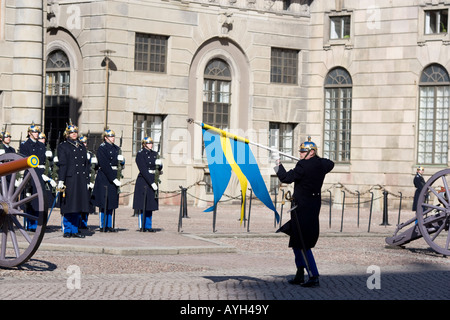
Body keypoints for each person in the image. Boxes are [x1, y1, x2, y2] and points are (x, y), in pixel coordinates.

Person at [274, 136, 334, 287]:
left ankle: (314, 276)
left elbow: (286, 178)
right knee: (296, 239)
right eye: (300, 151)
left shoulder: (302, 166)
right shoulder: (321, 165)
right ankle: (300, 274)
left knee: (302, 242)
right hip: (312, 207)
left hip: (301, 208)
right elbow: (330, 163)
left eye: (303, 151)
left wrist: (277, 165)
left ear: (311, 152)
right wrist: (313, 159)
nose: (300, 154)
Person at [56, 123, 90, 238]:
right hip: (69, 179)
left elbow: (86, 165)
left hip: (80, 179)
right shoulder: (63, 146)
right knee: (68, 205)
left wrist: (87, 179)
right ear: (67, 134)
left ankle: (74, 229)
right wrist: (61, 180)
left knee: (77, 205)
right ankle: (67, 229)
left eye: (75, 132)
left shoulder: (81, 146)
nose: (74, 134)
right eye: (71, 132)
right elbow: (63, 164)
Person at [92, 128, 124, 232]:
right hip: (105, 178)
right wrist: (113, 178)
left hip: (114, 175)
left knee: (111, 202)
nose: (113, 138)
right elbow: (104, 165)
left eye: (113, 136)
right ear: (105, 138)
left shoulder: (117, 148)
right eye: (110, 136)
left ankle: (109, 225)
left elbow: (119, 164)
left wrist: (122, 162)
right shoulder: (102, 148)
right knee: (103, 203)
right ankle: (103, 225)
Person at [19, 123, 47, 232]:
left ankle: (38, 224)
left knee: (38, 201)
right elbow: (24, 160)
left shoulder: (41, 145)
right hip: (29, 175)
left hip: (40, 174)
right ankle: (30, 224)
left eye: (37, 132)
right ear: (29, 133)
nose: (36, 134)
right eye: (34, 132)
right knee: (30, 200)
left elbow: (43, 161)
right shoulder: (25, 145)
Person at [133, 137, 162, 232]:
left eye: (151, 143)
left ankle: (148, 226)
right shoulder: (140, 154)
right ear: (144, 144)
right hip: (144, 181)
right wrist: (151, 182)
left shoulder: (154, 154)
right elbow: (143, 170)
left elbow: (157, 168)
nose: (151, 145)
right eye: (149, 143)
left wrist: (160, 165)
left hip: (153, 179)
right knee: (143, 205)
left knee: (150, 205)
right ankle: (142, 226)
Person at [78, 134, 98, 229]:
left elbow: (95, 168)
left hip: (89, 179)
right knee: (79, 202)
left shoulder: (91, 154)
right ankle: (78, 222)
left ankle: (84, 223)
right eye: (82, 142)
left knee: (87, 203)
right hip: (81, 179)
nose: (84, 144)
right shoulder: (78, 153)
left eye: (85, 142)